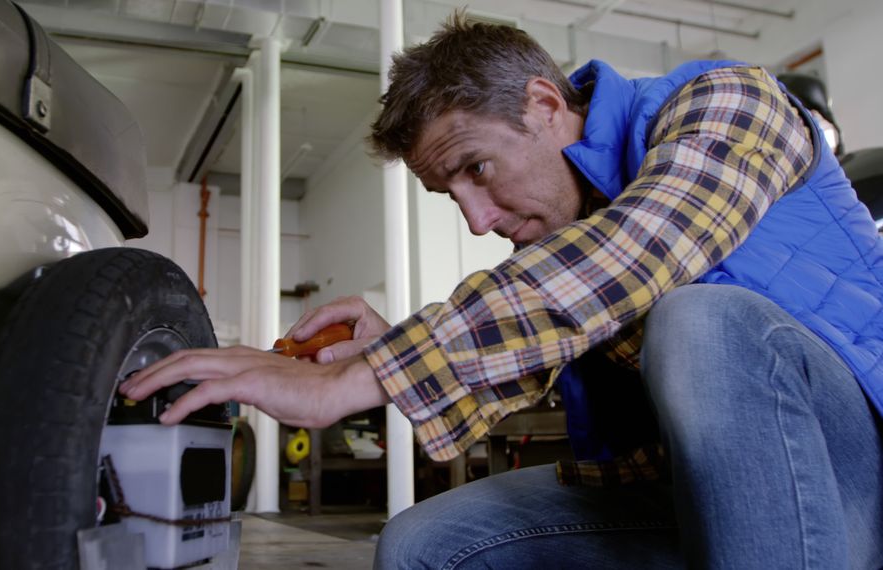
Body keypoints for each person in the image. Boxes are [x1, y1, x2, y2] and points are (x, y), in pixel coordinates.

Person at [121, 14, 883, 568]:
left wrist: (369, 376)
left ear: (546, 107)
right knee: (425, 544)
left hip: (852, 479)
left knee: (702, 322)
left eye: (476, 169)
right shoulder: (572, 244)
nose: (478, 220)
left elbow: (638, 253)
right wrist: (390, 350)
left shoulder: (729, 101)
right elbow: (555, 325)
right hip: (682, 493)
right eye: (451, 196)